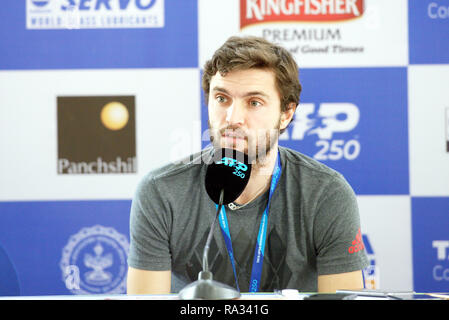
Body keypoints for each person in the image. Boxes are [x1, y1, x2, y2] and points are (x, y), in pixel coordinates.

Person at [126, 36, 368, 294]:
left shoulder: (326, 194)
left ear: (286, 114)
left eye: (254, 102)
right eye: (221, 99)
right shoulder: (162, 191)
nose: (232, 118)